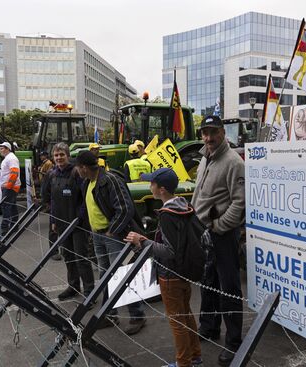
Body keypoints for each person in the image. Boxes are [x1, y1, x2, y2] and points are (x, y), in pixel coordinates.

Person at [125, 168, 203, 367]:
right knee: (186, 315)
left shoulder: (168, 215)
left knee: (177, 322)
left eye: (152, 183)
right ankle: (195, 357)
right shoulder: (184, 205)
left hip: (170, 274)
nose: (149, 185)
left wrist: (141, 241)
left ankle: (183, 363)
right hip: (184, 272)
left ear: (161, 189)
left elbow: (169, 251)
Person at [191, 115, 245, 366]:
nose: (208, 137)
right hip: (205, 230)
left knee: (229, 287)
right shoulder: (205, 156)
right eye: (205, 132)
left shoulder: (233, 162)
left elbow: (239, 202)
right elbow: (198, 192)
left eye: (213, 132)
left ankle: (234, 342)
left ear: (223, 133)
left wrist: (221, 227)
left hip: (223, 234)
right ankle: (209, 326)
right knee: (208, 281)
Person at [75, 150, 147, 335]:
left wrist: (111, 230)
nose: (77, 170)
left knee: (122, 275)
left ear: (83, 167)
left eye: (78, 167)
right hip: (99, 236)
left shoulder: (110, 180)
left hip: (113, 236)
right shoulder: (87, 183)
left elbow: (124, 208)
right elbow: (88, 207)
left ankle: (137, 316)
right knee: (106, 276)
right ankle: (110, 315)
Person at [42, 143, 95, 301]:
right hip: (61, 223)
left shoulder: (77, 173)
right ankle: (73, 286)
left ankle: (89, 291)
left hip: (78, 224)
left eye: (62, 155)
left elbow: (86, 198)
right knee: (68, 256)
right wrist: (53, 220)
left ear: (67, 155)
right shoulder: (52, 174)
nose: (59, 158)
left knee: (81, 257)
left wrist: (80, 217)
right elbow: (52, 200)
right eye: (56, 155)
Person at [0, 142, 21, 234]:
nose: (0, 150)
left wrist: (8, 186)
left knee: (6, 206)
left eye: (2, 148)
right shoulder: (8, 158)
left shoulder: (11, 158)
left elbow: (14, 173)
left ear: (8, 148)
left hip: (10, 187)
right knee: (11, 206)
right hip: (10, 186)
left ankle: (5, 227)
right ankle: (14, 225)